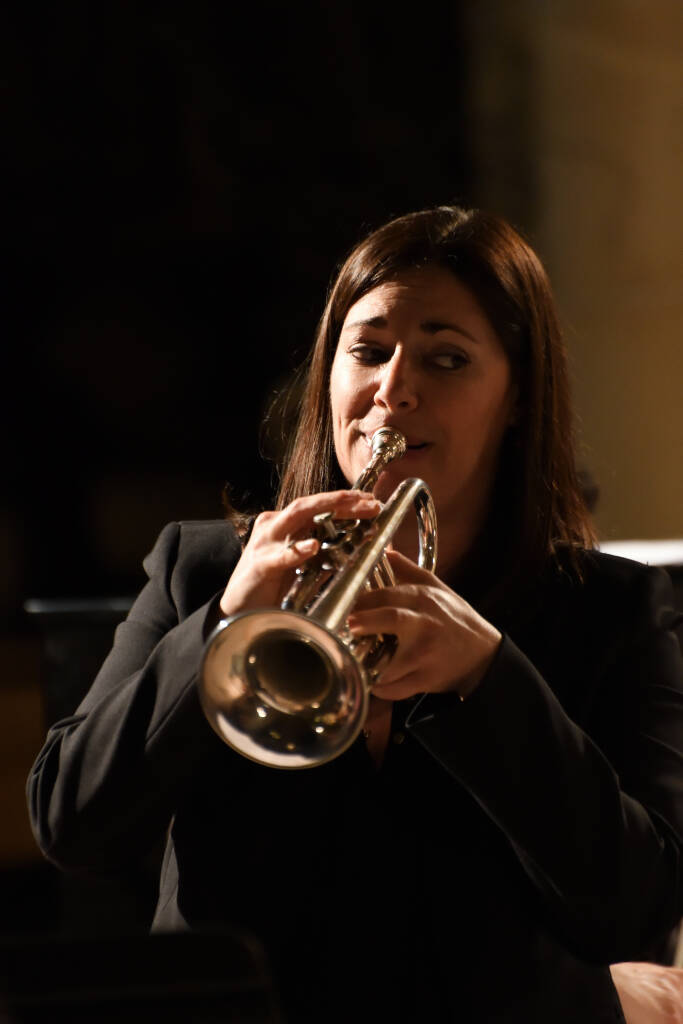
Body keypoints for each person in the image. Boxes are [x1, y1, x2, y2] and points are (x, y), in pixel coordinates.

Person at [28, 206, 683, 1022]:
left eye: (445, 359)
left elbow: (640, 913)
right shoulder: (203, 570)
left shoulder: (610, 611)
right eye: (367, 352)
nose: (392, 389)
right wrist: (221, 628)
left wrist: (490, 679)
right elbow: (74, 829)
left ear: (517, 397)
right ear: (328, 377)